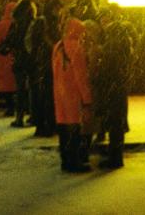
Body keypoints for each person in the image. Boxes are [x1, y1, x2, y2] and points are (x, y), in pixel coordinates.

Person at [94, 5, 135, 168]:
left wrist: (101, 52)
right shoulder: (121, 34)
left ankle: (115, 158)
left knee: (114, 121)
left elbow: (111, 61)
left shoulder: (114, 36)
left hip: (114, 85)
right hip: (118, 84)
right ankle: (115, 154)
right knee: (116, 121)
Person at [52, 16, 93, 172]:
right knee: (74, 130)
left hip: (59, 93)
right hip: (73, 94)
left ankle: (65, 160)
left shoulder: (57, 46)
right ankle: (75, 162)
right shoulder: (77, 48)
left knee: (63, 128)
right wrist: (87, 99)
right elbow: (81, 76)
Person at [28, 0, 63, 136]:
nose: (59, 11)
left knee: (45, 95)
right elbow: (45, 41)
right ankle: (46, 124)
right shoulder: (46, 22)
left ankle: (44, 124)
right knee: (47, 96)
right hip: (47, 64)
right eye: (57, 8)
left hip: (44, 64)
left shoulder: (45, 21)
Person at [0, 1, 20, 120]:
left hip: (3, 57)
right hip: (14, 55)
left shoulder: (1, 24)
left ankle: (9, 106)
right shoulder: (17, 24)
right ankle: (17, 106)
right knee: (15, 81)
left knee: (5, 81)